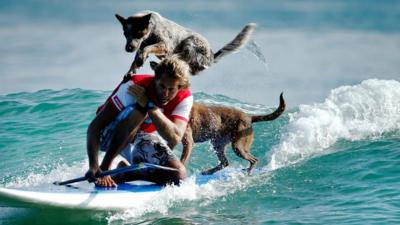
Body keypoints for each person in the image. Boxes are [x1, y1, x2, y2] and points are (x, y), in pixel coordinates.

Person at [85, 56, 193, 187]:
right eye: (162, 86)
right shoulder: (134, 86)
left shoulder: (185, 98)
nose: (165, 93)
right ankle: (105, 168)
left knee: (179, 176)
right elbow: (95, 126)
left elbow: (175, 137)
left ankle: (128, 173)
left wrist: (150, 106)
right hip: (108, 135)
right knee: (140, 110)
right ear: (156, 79)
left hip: (139, 137)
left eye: (171, 89)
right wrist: (94, 166)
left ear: (180, 87)